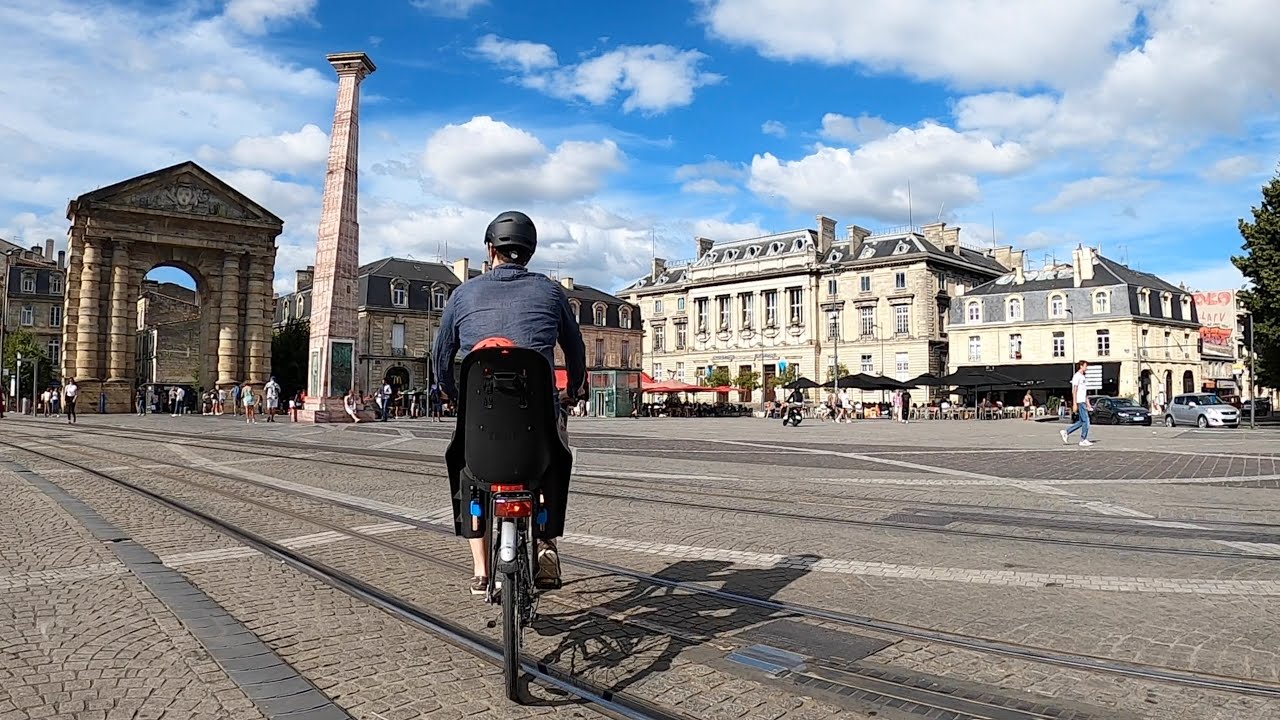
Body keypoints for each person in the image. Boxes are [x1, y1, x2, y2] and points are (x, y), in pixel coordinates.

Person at [434, 211, 586, 595]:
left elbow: (441, 356)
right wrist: (576, 388)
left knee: (466, 466)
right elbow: (575, 348)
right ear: (530, 252)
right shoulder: (551, 292)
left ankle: (481, 569)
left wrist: (452, 392)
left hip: (480, 412)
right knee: (557, 456)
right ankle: (547, 540)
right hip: (538, 413)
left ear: (490, 249)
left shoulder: (463, 294)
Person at [1060, 360, 1093, 447]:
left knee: (1082, 421)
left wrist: (1088, 403)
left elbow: (1084, 392)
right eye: (1085, 366)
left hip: (1083, 401)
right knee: (1086, 420)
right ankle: (1083, 439)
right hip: (1079, 401)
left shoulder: (1083, 377)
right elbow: (1074, 390)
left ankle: (1066, 432)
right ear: (1081, 366)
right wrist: (1074, 403)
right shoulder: (1077, 376)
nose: (1087, 368)